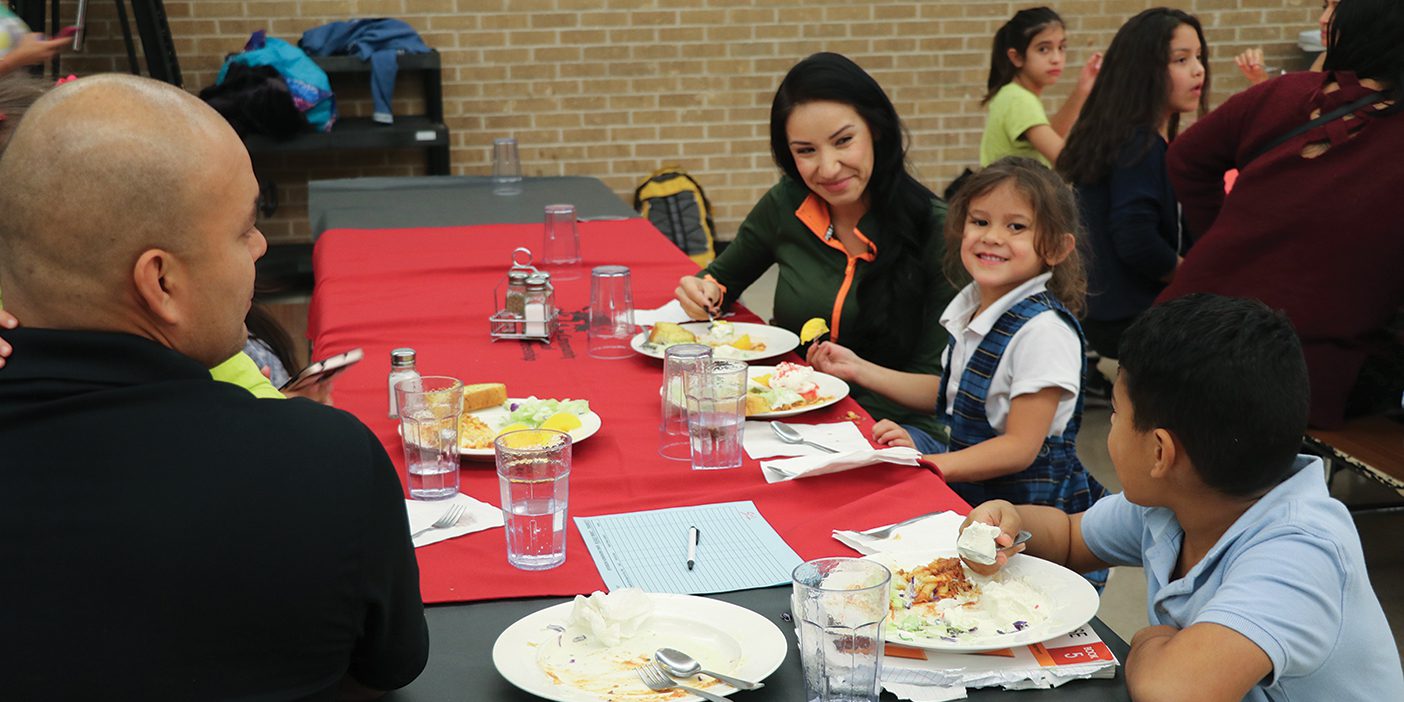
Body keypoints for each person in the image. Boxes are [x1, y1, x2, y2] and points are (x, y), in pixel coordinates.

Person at [0, 74, 427, 698]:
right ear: (161, 282)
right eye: (244, 228)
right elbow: (394, 666)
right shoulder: (324, 464)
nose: (259, 247)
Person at [958, 294, 1404, 701]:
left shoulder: (1301, 552)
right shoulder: (1179, 500)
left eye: (1115, 413)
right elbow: (1073, 539)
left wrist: (1150, 639)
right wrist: (1008, 522)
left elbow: (1170, 691)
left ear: (1159, 451)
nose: (1110, 426)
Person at [674, 52, 955, 439]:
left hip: (896, 432)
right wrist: (703, 291)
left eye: (843, 141)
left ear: (876, 129)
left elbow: (942, 392)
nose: (827, 168)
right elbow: (721, 280)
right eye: (806, 150)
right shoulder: (787, 203)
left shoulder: (938, 228)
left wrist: (857, 375)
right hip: (788, 417)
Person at [812, 158, 1107, 525]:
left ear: (1057, 249)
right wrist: (858, 369)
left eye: (1016, 226)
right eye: (980, 221)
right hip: (976, 497)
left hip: (1028, 518)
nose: (992, 236)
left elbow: (1019, 447)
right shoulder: (973, 307)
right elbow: (956, 392)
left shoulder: (1043, 332)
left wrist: (930, 463)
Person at [1158, 0, 1404, 429]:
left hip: (1175, 334)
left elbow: (1184, 158)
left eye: (1335, 10)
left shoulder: (1283, 92)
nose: (1326, 20)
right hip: (1292, 375)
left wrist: (1224, 239)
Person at [1057, 7, 1209, 359]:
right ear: (1146, 70)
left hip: (1110, 315)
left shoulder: (1120, 136)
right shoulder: (1138, 145)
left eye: (1199, 57)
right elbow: (1137, 239)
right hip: (1133, 321)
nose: (1198, 69)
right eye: (1181, 60)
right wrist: (1194, 277)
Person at [978, 7, 1101, 167]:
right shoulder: (1018, 99)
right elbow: (1067, 162)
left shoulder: (1015, 95)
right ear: (1016, 57)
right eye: (1043, 49)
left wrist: (1083, 89)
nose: (1056, 58)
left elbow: (1051, 137)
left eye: (1061, 47)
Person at [1234, 0, 1337, 86]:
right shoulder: (1325, 60)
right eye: (1325, 7)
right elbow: (1297, 108)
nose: (1323, 19)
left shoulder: (1348, 76)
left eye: (1337, 8)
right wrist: (1260, 79)